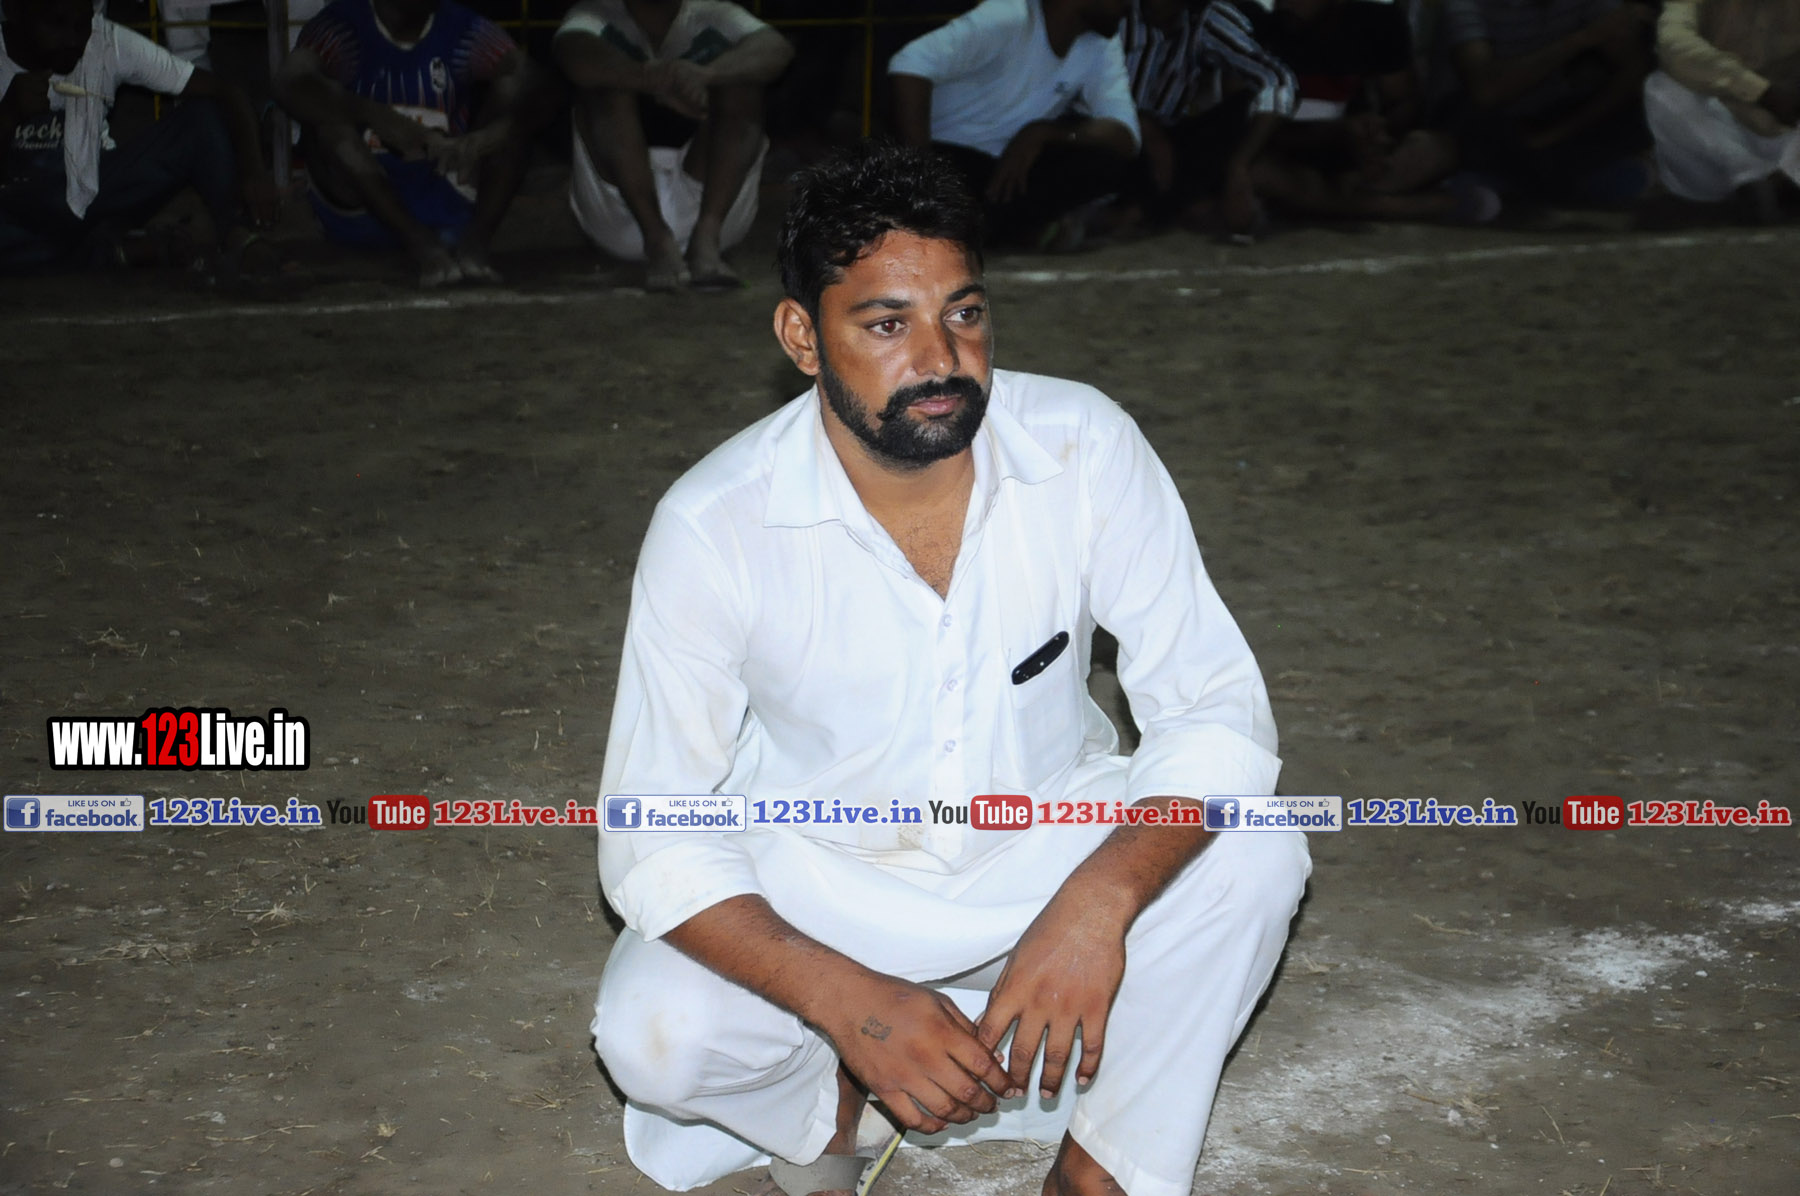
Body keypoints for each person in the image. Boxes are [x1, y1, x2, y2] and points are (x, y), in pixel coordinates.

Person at [590, 141, 1310, 1196]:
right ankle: (828, 1103)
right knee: (655, 1031)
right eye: (887, 324)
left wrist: (1100, 899)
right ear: (802, 336)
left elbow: (1215, 709)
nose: (940, 358)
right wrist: (847, 1002)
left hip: (1045, 846)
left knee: (1255, 847)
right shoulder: (714, 522)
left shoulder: (1082, 444)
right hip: (817, 868)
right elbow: (652, 833)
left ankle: (1098, 1169)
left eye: (964, 314)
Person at [273, 0, 554, 287]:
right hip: (360, 203)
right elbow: (288, 84)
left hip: (442, 187)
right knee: (329, 122)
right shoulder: (341, 26)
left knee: (514, 110)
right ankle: (421, 245)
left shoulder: (465, 28)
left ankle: (474, 245)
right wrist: (375, 115)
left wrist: (492, 135)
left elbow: (541, 87)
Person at [0, 0, 279, 273]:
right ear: (13, 11)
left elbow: (227, 92)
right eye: (56, 23)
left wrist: (254, 170)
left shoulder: (104, 39)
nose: (72, 39)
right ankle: (111, 252)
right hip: (19, 208)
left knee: (199, 118)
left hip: (94, 195)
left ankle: (234, 232)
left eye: (81, 24)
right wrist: (7, 116)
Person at [553, 0, 793, 291]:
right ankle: (657, 239)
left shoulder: (711, 11)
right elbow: (570, 49)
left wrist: (706, 75)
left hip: (716, 211)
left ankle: (706, 239)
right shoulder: (596, 13)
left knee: (742, 85)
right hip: (623, 218)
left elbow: (776, 47)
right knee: (602, 90)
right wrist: (652, 79)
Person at [889, 0, 1141, 248]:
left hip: (1012, 164)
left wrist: (1042, 132)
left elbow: (1126, 134)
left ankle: (1010, 230)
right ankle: (1013, 230)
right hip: (951, 156)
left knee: (1106, 160)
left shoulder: (1101, 41)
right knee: (963, 196)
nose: (1129, 4)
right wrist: (922, 177)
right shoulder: (1008, 15)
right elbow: (909, 63)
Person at [1440, 0, 1656, 204]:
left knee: (1642, 105)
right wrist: (1580, 39)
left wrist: (1553, 134)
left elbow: (1634, 68)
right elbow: (1486, 91)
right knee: (1470, 138)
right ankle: (1537, 182)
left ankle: (1518, 182)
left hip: (1545, 119)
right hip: (1480, 121)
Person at [1644, 0, 1800, 217]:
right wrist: (1760, 91)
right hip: (1715, 141)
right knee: (1662, 87)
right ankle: (1751, 183)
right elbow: (1674, 44)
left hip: (1782, 136)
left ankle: (1778, 186)